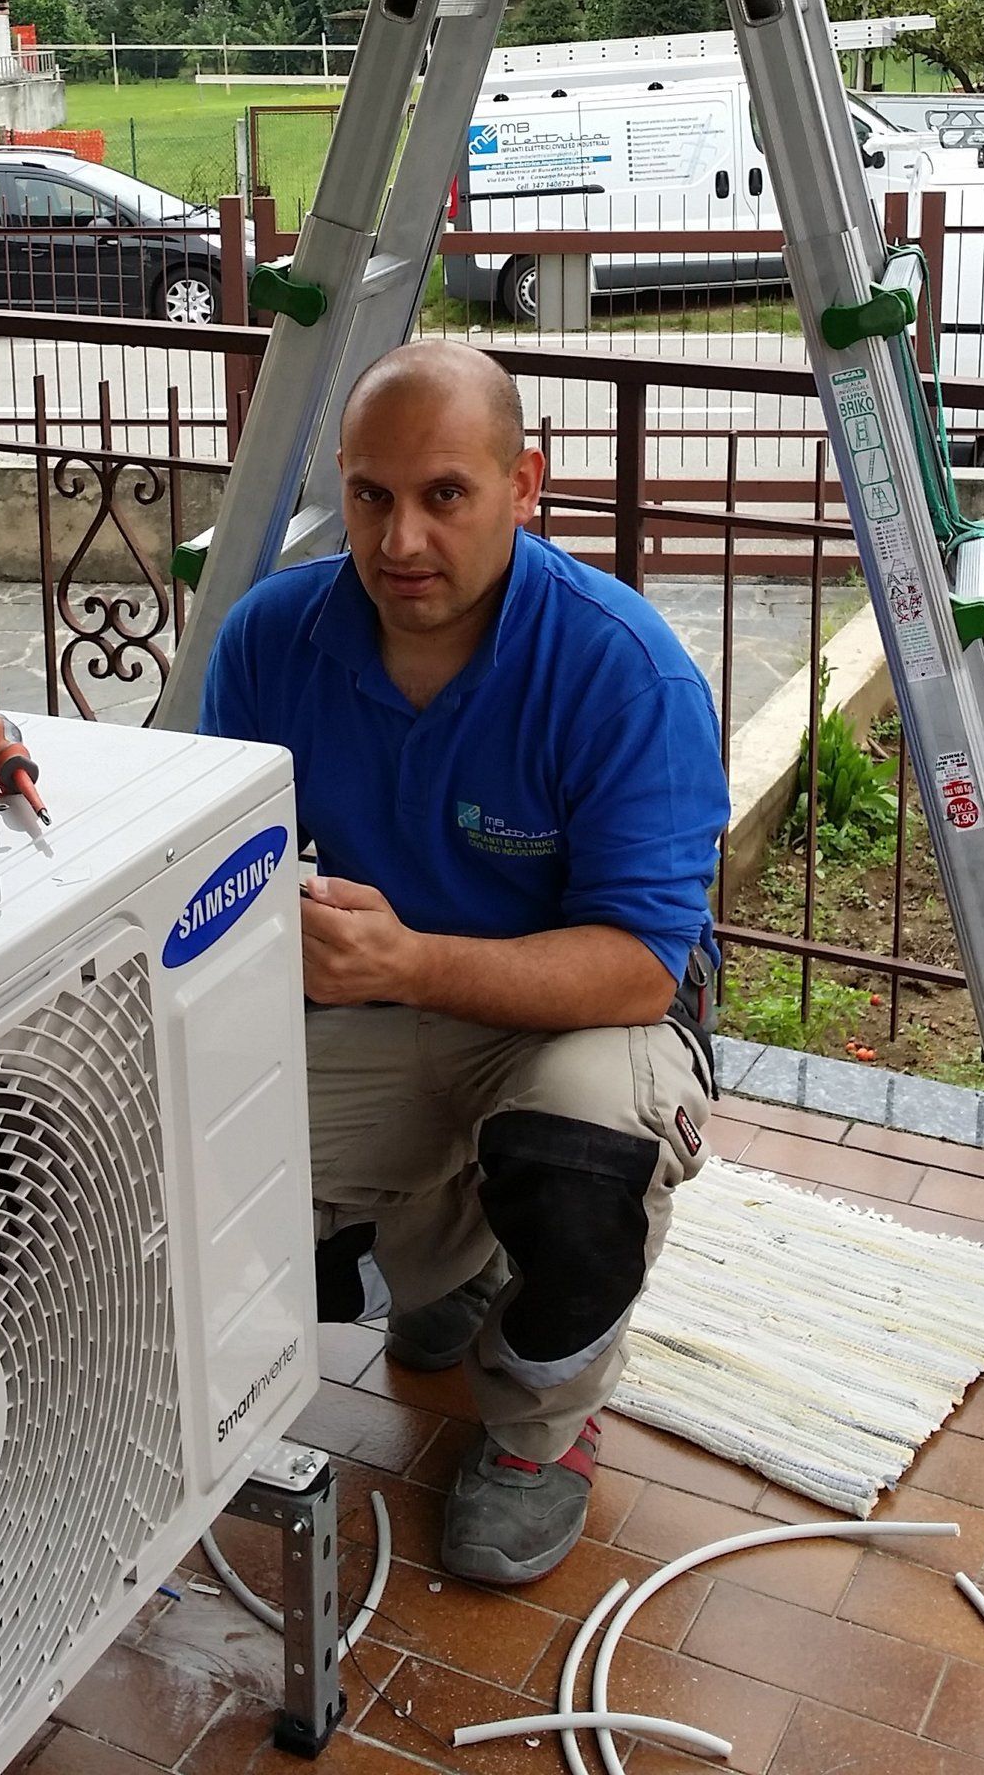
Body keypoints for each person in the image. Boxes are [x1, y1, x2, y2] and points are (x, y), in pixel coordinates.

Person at [199, 339, 730, 1586]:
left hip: (583, 1024)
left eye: (447, 493)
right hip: (386, 1006)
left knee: (580, 1153)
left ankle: (538, 1433)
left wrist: (407, 959)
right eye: (372, 494)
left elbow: (642, 970)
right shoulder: (272, 640)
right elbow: (206, 868)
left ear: (525, 483)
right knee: (196, 1158)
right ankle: (453, 1250)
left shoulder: (620, 667)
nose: (400, 540)